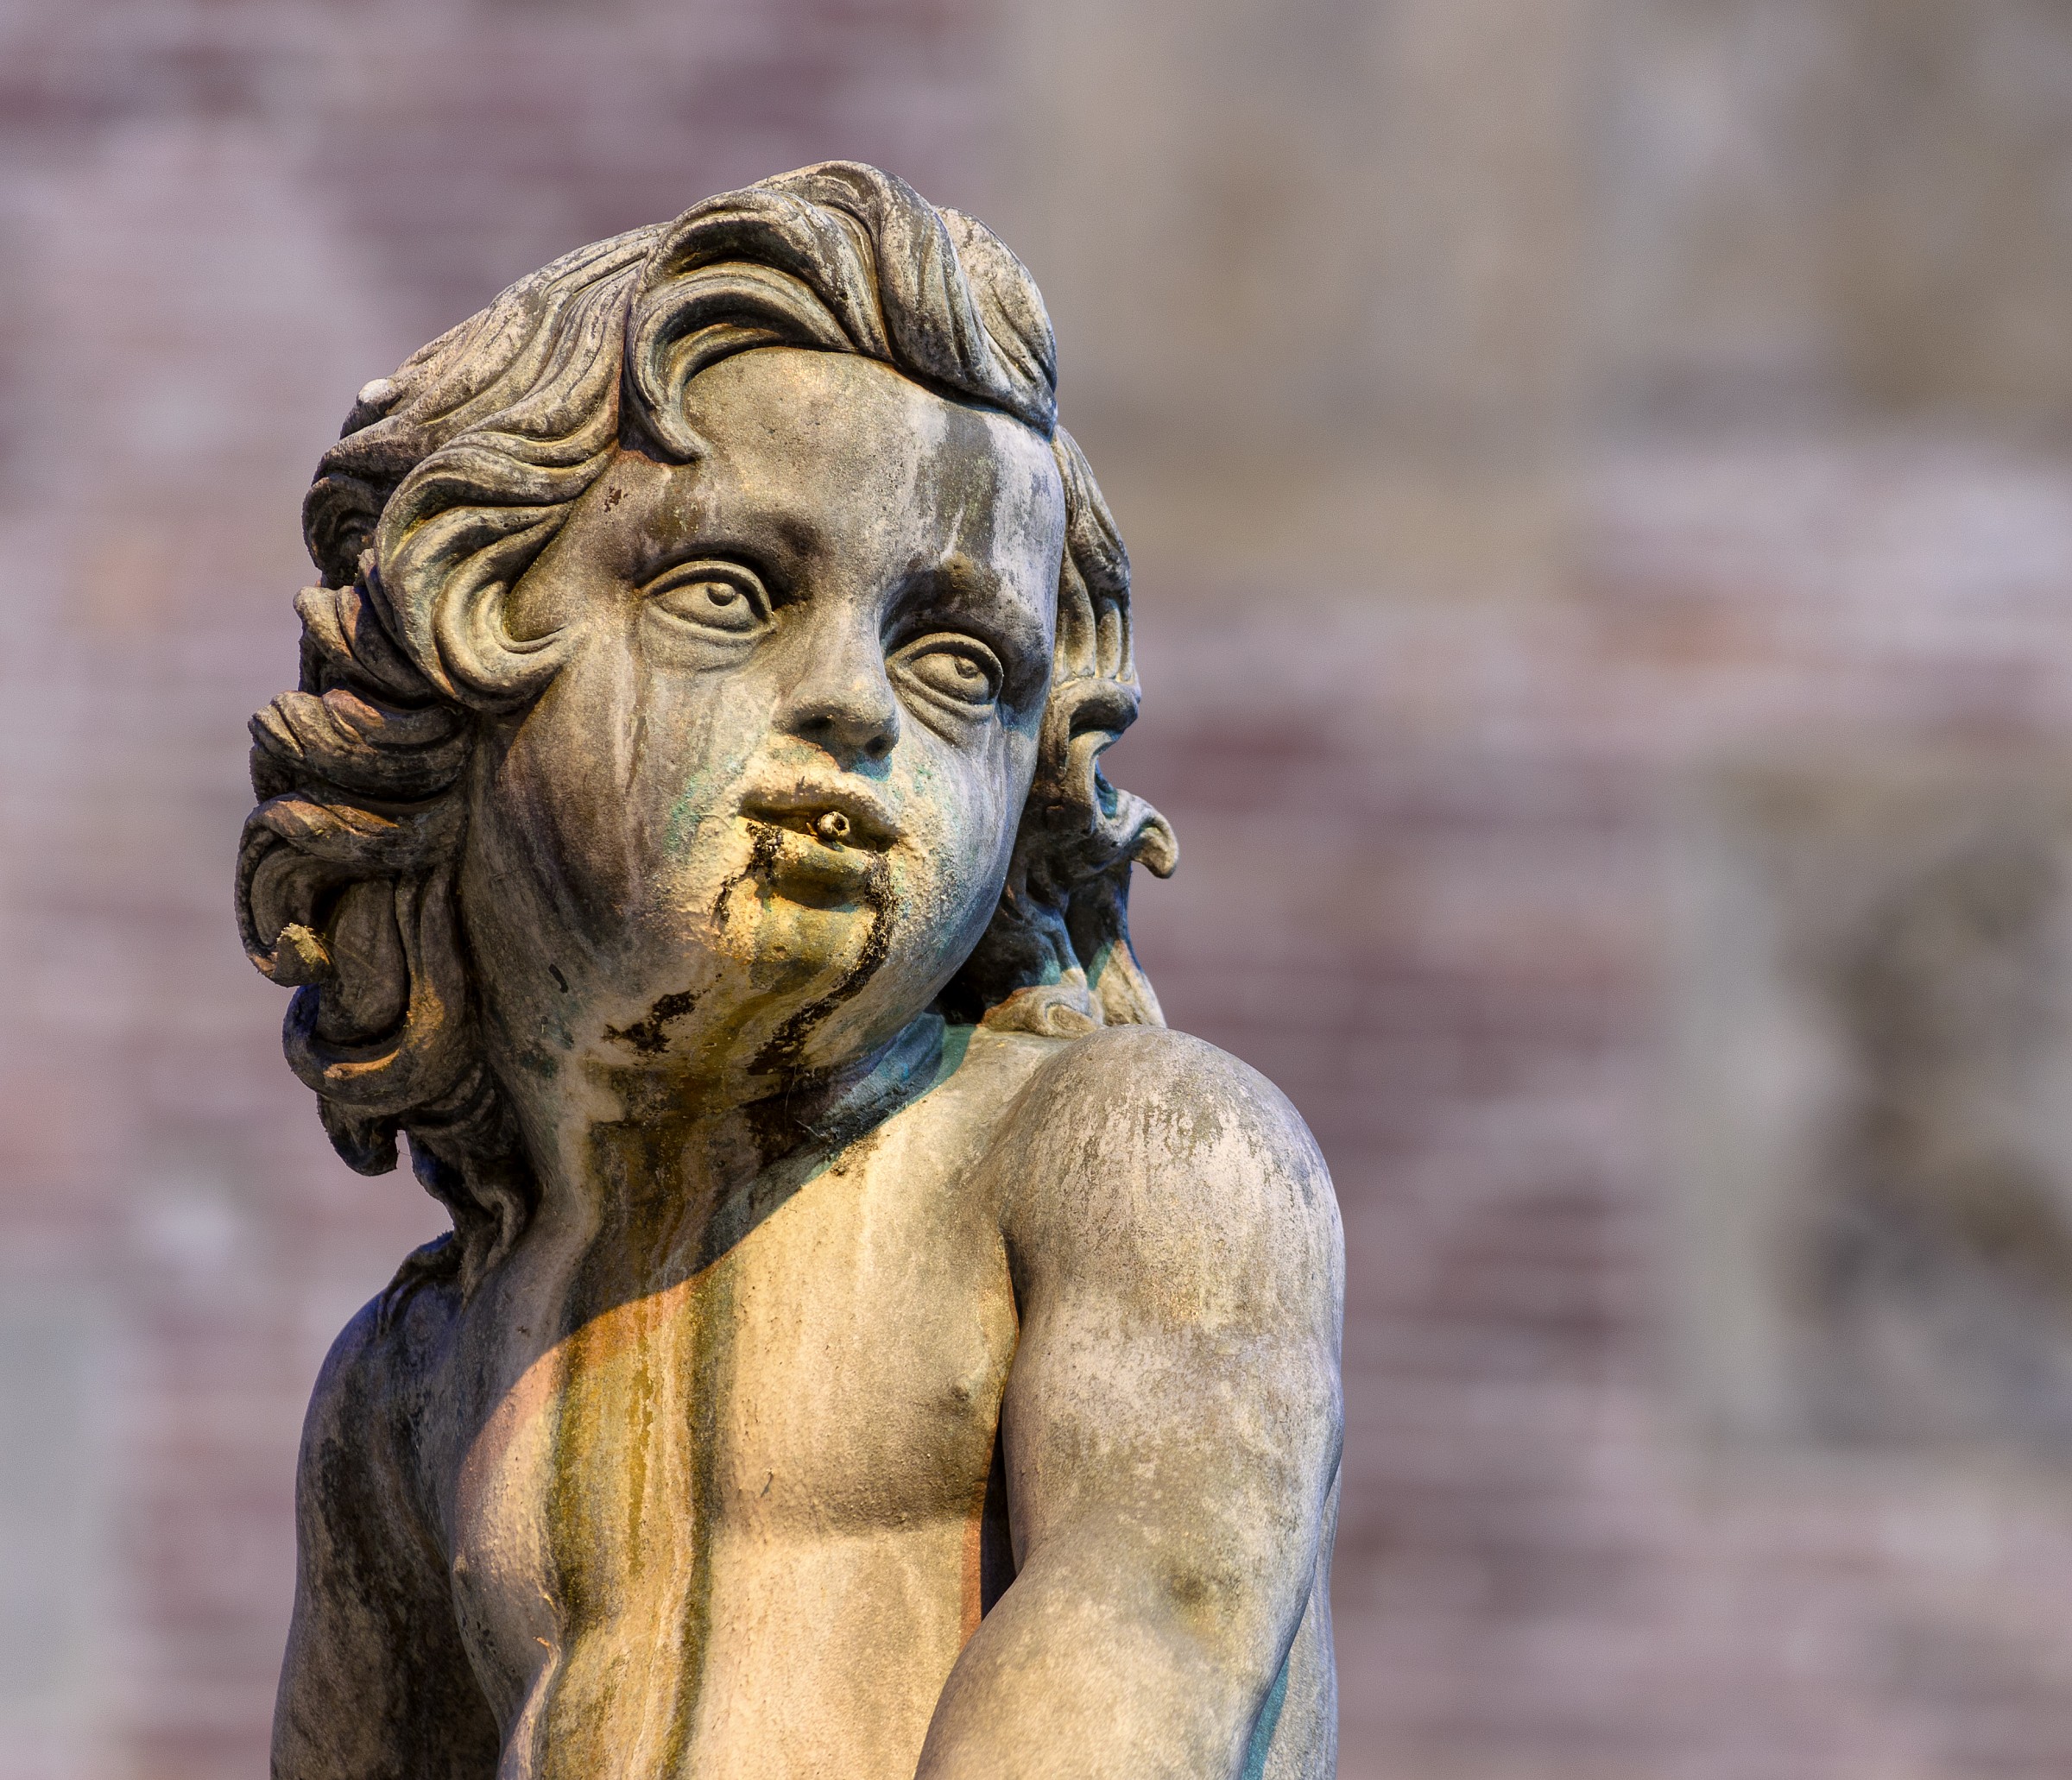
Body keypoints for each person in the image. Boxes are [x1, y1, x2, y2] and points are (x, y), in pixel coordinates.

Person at [237, 161, 1342, 1779]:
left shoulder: (1143, 1163)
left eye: (956, 657)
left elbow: (1154, 1634)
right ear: (465, 642)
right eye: (730, 591)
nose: (855, 702)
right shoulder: (409, 1385)